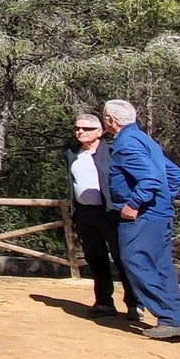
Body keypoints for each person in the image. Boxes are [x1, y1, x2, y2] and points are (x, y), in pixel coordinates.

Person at [102, 99, 180, 341]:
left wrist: (134, 204)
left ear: (110, 121)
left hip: (142, 217)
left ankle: (171, 318)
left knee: (135, 261)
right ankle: (174, 317)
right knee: (161, 266)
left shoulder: (126, 144)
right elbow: (175, 174)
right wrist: (164, 198)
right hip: (158, 214)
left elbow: (150, 179)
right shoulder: (144, 140)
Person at [67, 112, 138, 320]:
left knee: (122, 257)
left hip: (110, 213)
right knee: (95, 259)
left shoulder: (112, 151)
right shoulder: (73, 153)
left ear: (100, 132)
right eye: (78, 128)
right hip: (84, 213)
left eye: (87, 129)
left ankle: (134, 303)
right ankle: (104, 302)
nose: (81, 132)